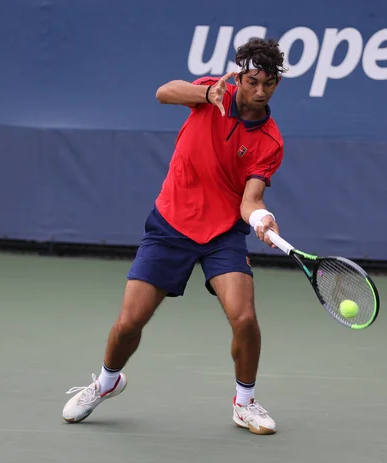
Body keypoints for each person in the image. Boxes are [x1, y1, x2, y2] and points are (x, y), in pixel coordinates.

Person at [62, 38, 287, 435]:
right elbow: (164, 92)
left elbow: (250, 199)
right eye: (252, 81)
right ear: (239, 76)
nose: (259, 91)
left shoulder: (270, 140)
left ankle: (245, 402)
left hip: (222, 234)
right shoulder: (212, 93)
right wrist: (206, 92)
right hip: (170, 225)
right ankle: (106, 382)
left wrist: (262, 218)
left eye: (268, 84)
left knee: (245, 318)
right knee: (130, 323)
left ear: (276, 86)